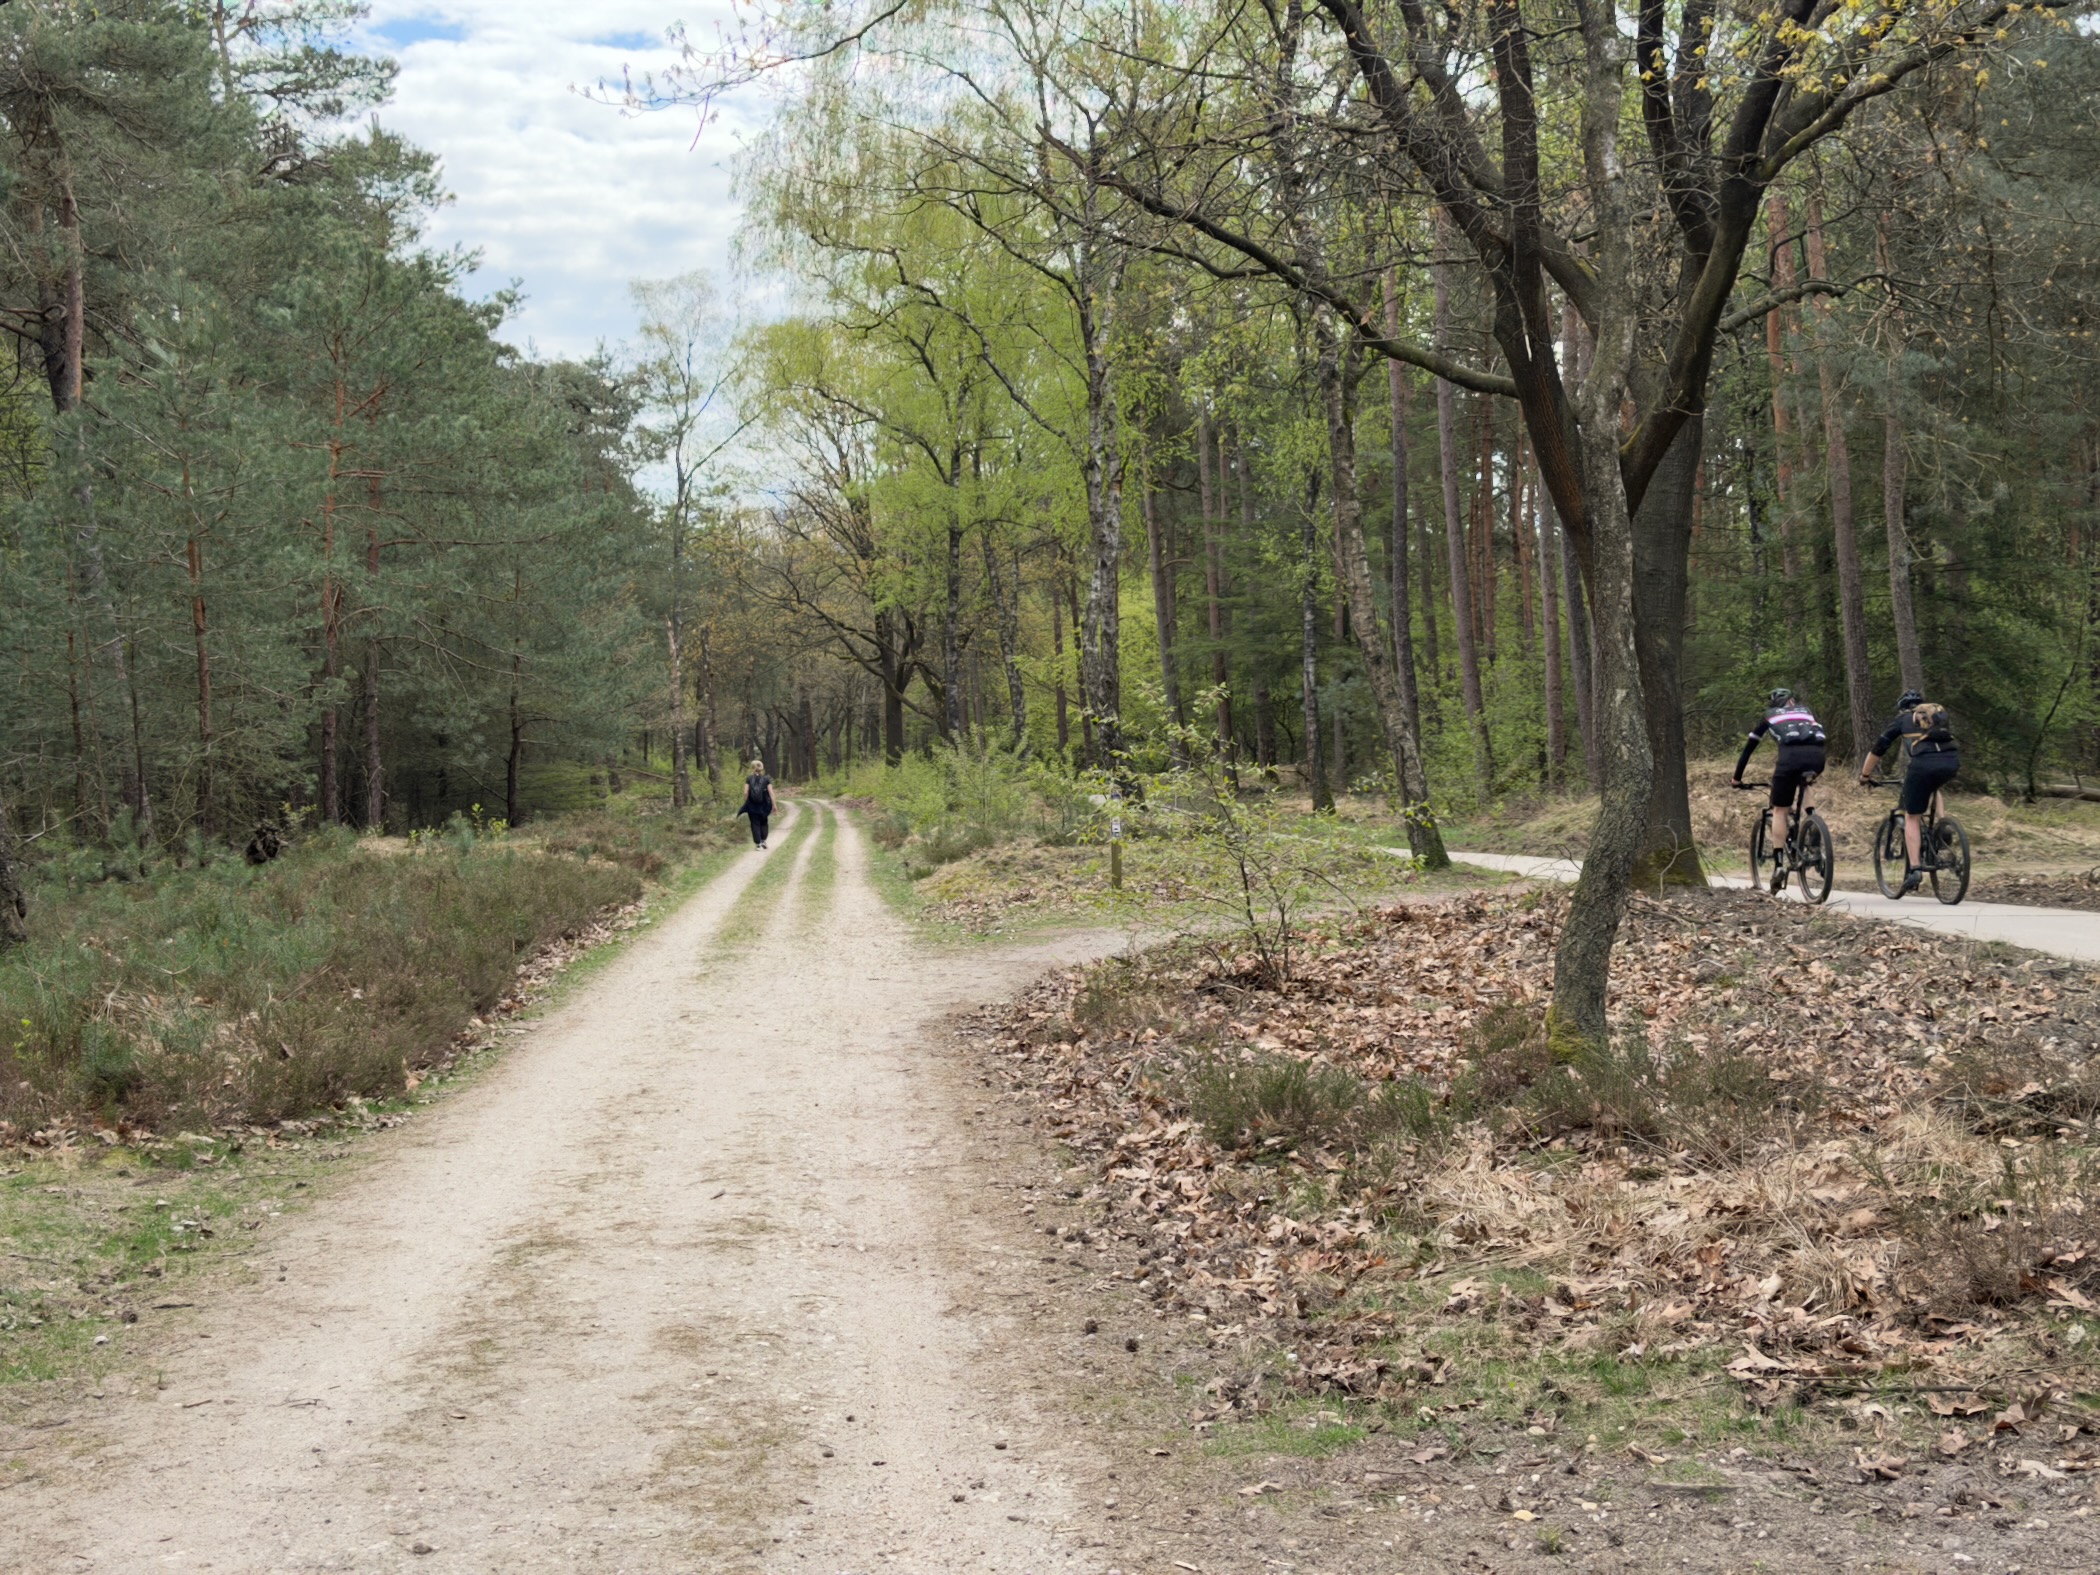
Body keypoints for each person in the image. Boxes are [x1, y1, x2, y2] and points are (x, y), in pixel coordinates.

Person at [1859, 688, 1959, 894]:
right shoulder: (1936, 717)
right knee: (1934, 787)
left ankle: (1914, 869)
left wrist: (1865, 776)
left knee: (1912, 817)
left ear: (1902, 708)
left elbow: (1878, 749)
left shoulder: (1903, 720)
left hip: (1922, 765)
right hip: (1951, 761)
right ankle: (1942, 823)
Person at [1734, 688, 1827, 890]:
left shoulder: (1769, 716)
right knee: (1807, 782)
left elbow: (1748, 749)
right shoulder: (1807, 711)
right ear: (1792, 702)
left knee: (1780, 810)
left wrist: (1737, 778)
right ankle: (1813, 823)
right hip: (1818, 757)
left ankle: (1778, 865)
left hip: (1790, 759)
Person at [735, 759, 774, 850]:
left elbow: (745, 792)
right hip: (764, 806)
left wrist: (746, 801)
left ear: (753, 768)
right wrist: (774, 805)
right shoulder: (767, 779)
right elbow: (771, 793)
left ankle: (758, 844)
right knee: (764, 822)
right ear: (761, 768)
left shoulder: (748, 778)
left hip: (752, 806)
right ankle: (763, 841)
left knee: (755, 823)